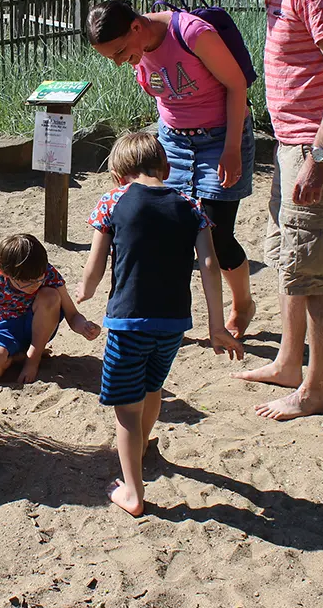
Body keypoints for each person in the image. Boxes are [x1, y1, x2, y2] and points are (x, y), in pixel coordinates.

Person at [191, 0, 323, 420]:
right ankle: (290, 364)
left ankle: (313, 390)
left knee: (314, 272)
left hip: (318, 151)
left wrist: (319, 154)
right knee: (291, 261)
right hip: (292, 147)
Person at [76, 132, 244, 516]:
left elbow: (96, 265)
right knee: (152, 387)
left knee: (126, 409)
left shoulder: (113, 201)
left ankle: (132, 493)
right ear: (165, 169)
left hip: (127, 321)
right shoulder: (190, 205)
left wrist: (84, 293)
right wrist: (216, 326)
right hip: (173, 324)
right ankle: (145, 444)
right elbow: (208, 266)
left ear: (119, 174)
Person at [86, 0, 256, 340]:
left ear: (136, 27)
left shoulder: (192, 33)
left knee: (217, 233)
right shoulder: (138, 47)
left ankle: (243, 304)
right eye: (112, 58)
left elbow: (237, 86)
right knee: (167, 227)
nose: (119, 63)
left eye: (120, 53)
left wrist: (232, 148)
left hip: (220, 138)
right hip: (174, 143)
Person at [0, 233, 100, 384]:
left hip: (39, 325)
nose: (36, 284)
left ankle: (33, 357)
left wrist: (84, 327)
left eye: (39, 278)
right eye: (28, 283)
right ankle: (17, 357)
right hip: (3, 327)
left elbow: (72, 315)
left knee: (50, 295)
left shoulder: (48, 273)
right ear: (6, 274)